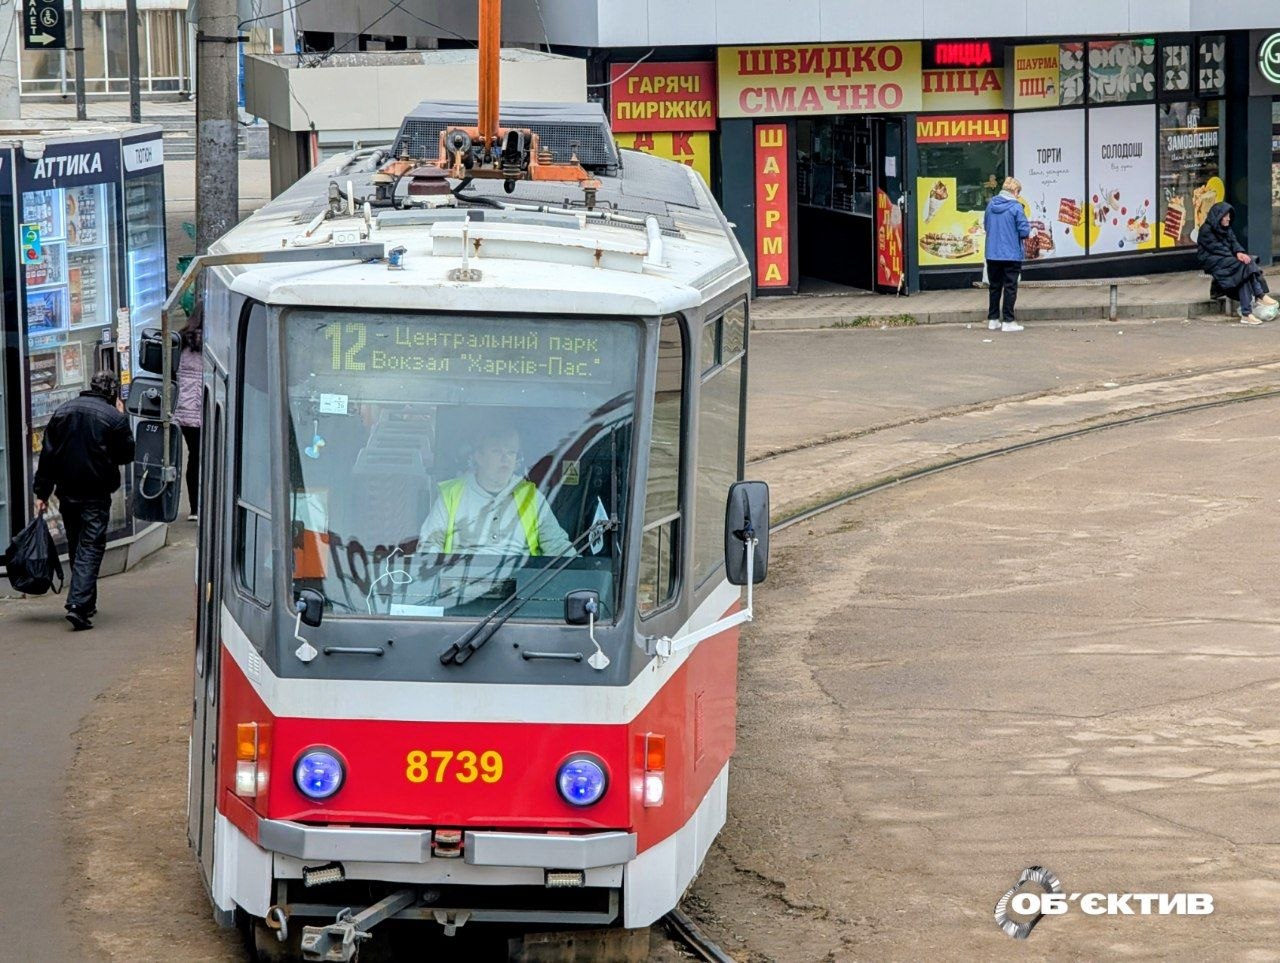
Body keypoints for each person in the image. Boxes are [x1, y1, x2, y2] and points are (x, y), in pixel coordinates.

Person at [33, 370, 135, 631]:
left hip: (67, 491)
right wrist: (122, 416)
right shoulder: (114, 418)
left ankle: (86, 602)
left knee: (79, 544)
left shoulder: (63, 411)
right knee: (91, 545)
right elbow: (126, 455)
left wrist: (41, 493)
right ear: (112, 392)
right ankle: (78, 605)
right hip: (96, 492)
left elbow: (48, 456)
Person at [417, 424, 572, 558]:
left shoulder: (531, 497)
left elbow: (558, 547)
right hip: (459, 586)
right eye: (497, 451)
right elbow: (430, 545)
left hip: (523, 585)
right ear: (479, 456)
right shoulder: (452, 495)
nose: (505, 458)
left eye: (511, 453)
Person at [1196, 201, 1278, 325]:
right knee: (1243, 266)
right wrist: (1236, 258)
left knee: (1246, 267)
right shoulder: (1206, 230)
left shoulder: (1226, 228)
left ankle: (1247, 314)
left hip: (1227, 259)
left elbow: (1234, 242)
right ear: (1219, 216)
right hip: (1213, 261)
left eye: (1229, 215)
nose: (1228, 218)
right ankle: (1259, 295)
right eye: (1226, 216)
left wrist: (1239, 252)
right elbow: (1217, 249)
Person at [983, 176, 1032, 333]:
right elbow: (1024, 231)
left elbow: (986, 225)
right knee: (1010, 288)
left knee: (994, 287)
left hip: (992, 254)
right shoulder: (1016, 207)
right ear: (1015, 191)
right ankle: (1008, 321)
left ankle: (993, 319)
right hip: (1011, 254)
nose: (1018, 195)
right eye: (1018, 192)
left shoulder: (991, 205)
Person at [174, 306, 204, 519]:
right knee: (211, 457)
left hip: (185, 411)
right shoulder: (217, 341)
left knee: (194, 457)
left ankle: (195, 508)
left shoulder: (182, 340)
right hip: (206, 408)